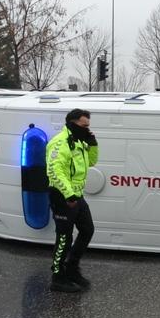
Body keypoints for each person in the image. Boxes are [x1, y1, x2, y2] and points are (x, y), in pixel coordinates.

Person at [46, 108, 99, 293]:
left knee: (87, 230)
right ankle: (58, 277)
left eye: (88, 127)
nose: (87, 129)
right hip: (62, 196)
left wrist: (92, 144)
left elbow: (91, 163)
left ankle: (72, 268)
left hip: (77, 195)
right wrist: (69, 195)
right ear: (72, 123)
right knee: (64, 237)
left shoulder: (79, 142)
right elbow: (54, 170)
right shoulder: (60, 143)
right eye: (84, 125)